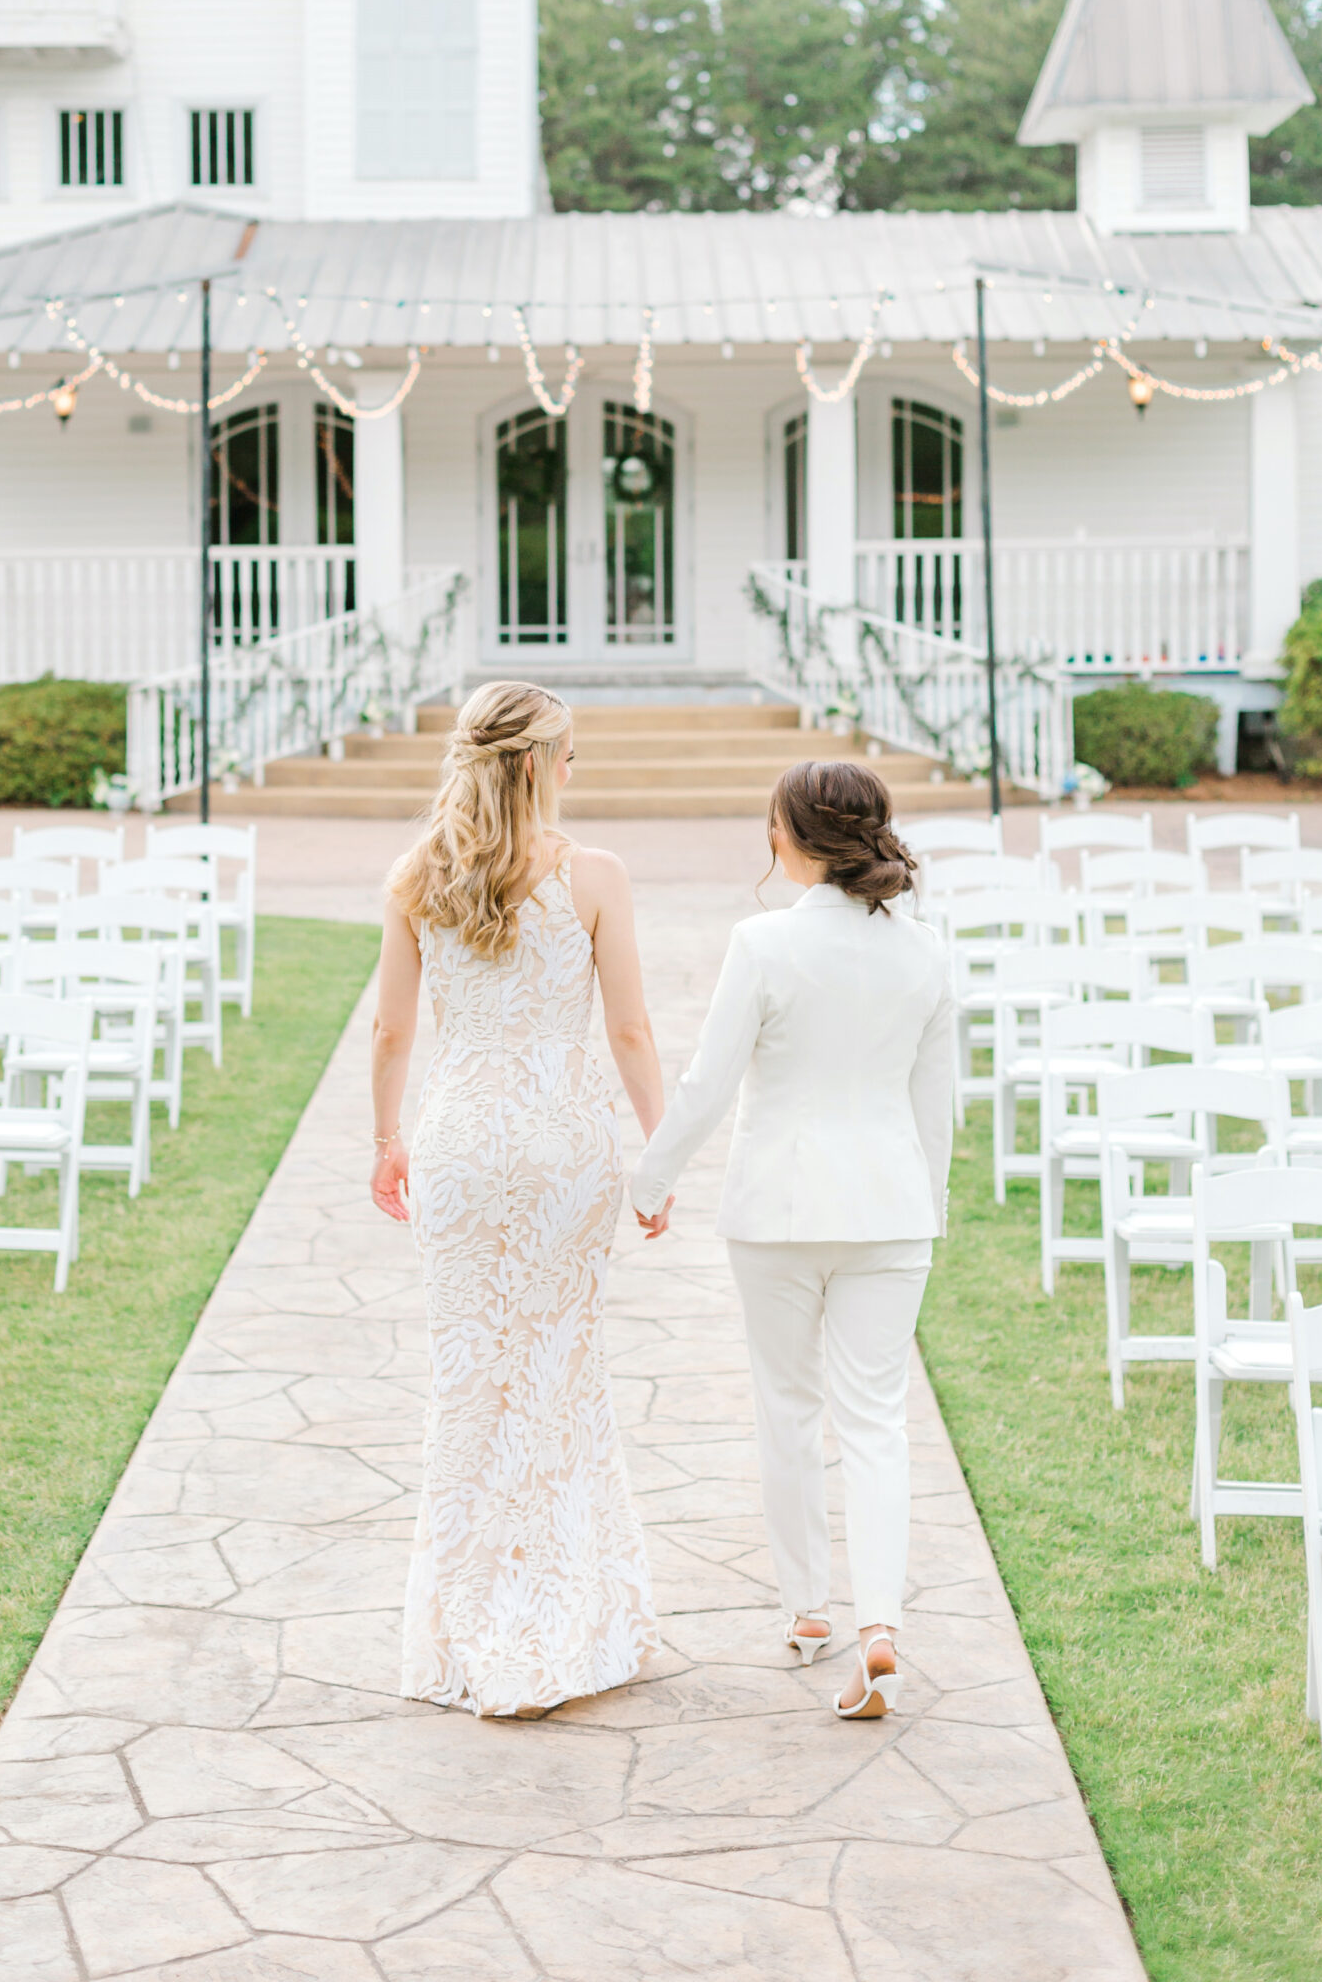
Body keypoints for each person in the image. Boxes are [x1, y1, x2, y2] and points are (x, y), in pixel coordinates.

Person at [629, 759, 954, 1720]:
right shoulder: (925, 949)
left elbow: (707, 1080)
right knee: (875, 1422)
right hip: (890, 1211)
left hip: (776, 1210)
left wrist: (651, 1177)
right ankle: (879, 1626)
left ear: (791, 837)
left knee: (787, 1407)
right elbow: (935, 1106)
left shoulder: (763, 942)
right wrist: (922, 1207)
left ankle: (809, 1610)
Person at [370, 678, 668, 1716]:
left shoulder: (417, 876)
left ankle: (459, 1630)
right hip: (560, 1147)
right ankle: (562, 1617)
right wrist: (660, 1145)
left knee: (470, 1378)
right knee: (558, 1370)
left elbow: (391, 1032)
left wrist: (385, 1139)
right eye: (571, 755)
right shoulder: (594, 875)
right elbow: (628, 1030)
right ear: (539, 763)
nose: (574, 772)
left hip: (459, 1142)